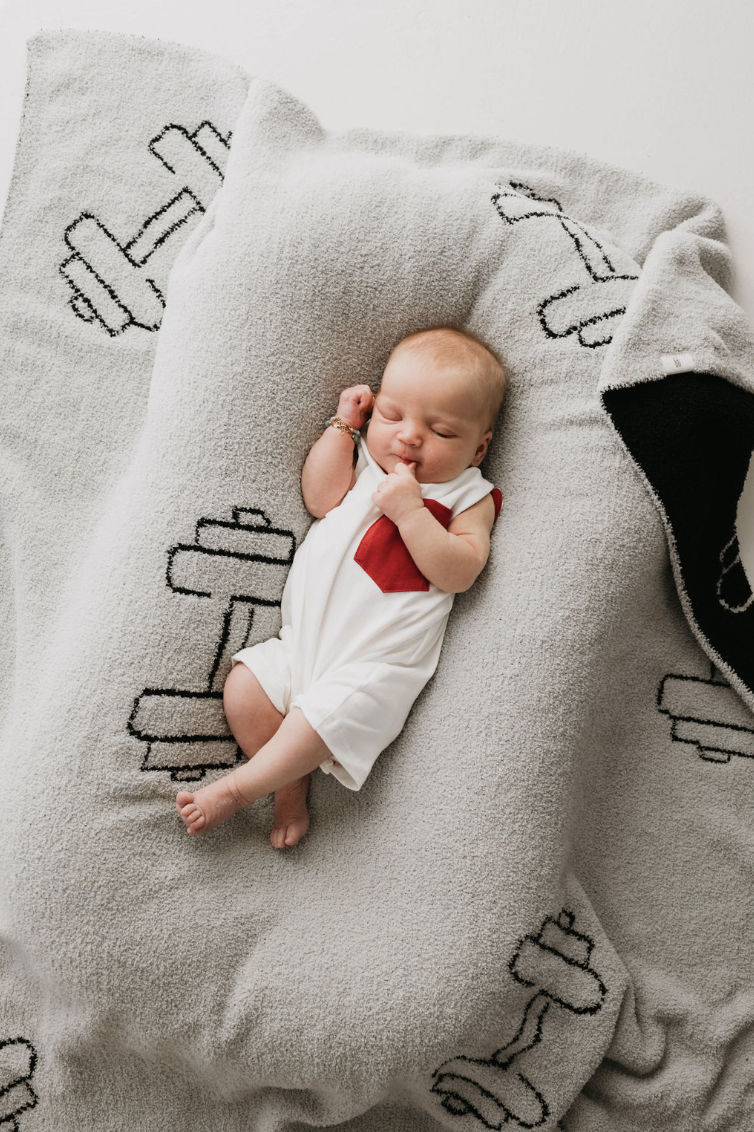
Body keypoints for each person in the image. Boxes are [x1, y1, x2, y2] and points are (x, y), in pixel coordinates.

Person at [176, 326, 506, 847]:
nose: (410, 437)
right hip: (300, 643)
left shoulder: (469, 494)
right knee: (244, 689)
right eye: (393, 415)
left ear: (478, 447)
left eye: (441, 431)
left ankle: (238, 790)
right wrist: (341, 429)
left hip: (375, 667)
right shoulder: (368, 465)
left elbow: (460, 571)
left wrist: (411, 513)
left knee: (319, 716)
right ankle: (290, 789)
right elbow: (320, 498)